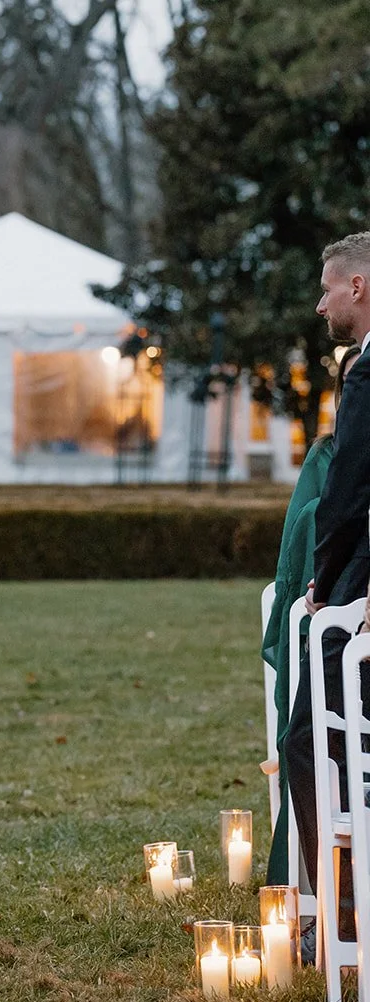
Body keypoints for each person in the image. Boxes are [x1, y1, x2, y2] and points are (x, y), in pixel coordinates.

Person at [284, 233, 370, 928]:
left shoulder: (367, 372)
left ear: (360, 288)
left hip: (360, 587)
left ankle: (338, 910)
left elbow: (346, 496)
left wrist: (321, 583)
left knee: (311, 738)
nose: (321, 304)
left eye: (328, 288)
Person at [262, 346, 357, 886]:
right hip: (330, 613)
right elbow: (306, 533)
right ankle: (336, 893)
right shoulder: (326, 458)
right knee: (310, 741)